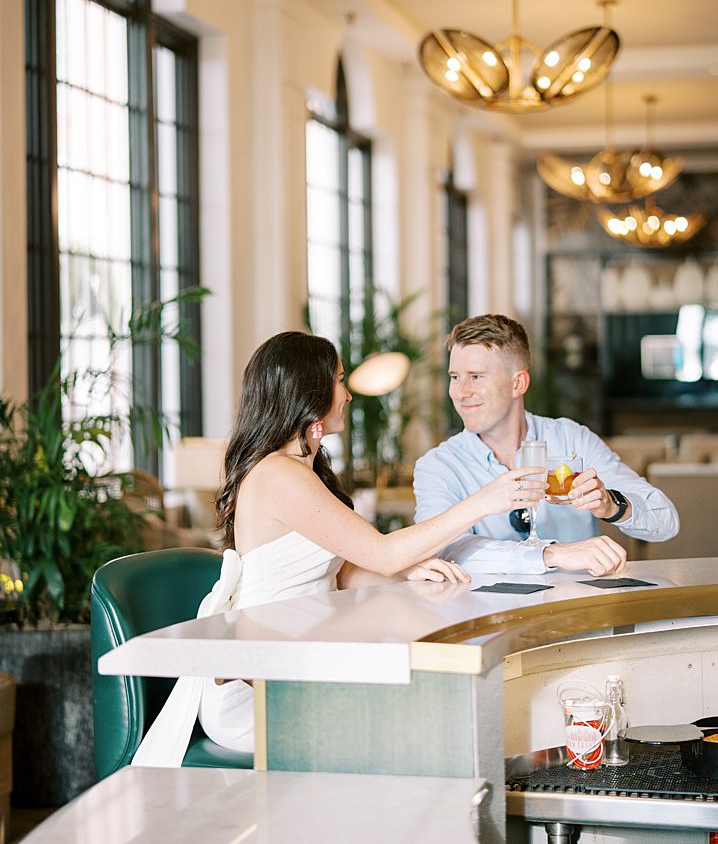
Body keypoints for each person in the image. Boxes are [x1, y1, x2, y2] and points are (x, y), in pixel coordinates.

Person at [134, 331, 545, 766]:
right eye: (340, 381)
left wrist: (406, 572)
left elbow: (337, 570)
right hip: (261, 681)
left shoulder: (301, 468)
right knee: (417, 713)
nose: (348, 395)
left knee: (424, 700)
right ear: (310, 392)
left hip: (302, 657)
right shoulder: (278, 474)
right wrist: (485, 500)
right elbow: (381, 551)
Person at [413, 314, 675, 576]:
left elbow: (666, 521)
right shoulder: (437, 466)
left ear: (518, 383)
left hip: (580, 609)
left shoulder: (572, 439)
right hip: (485, 613)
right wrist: (551, 555)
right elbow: (441, 551)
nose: (460, 392)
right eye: (455, 377)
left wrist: (612, 506)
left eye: (476, 377)